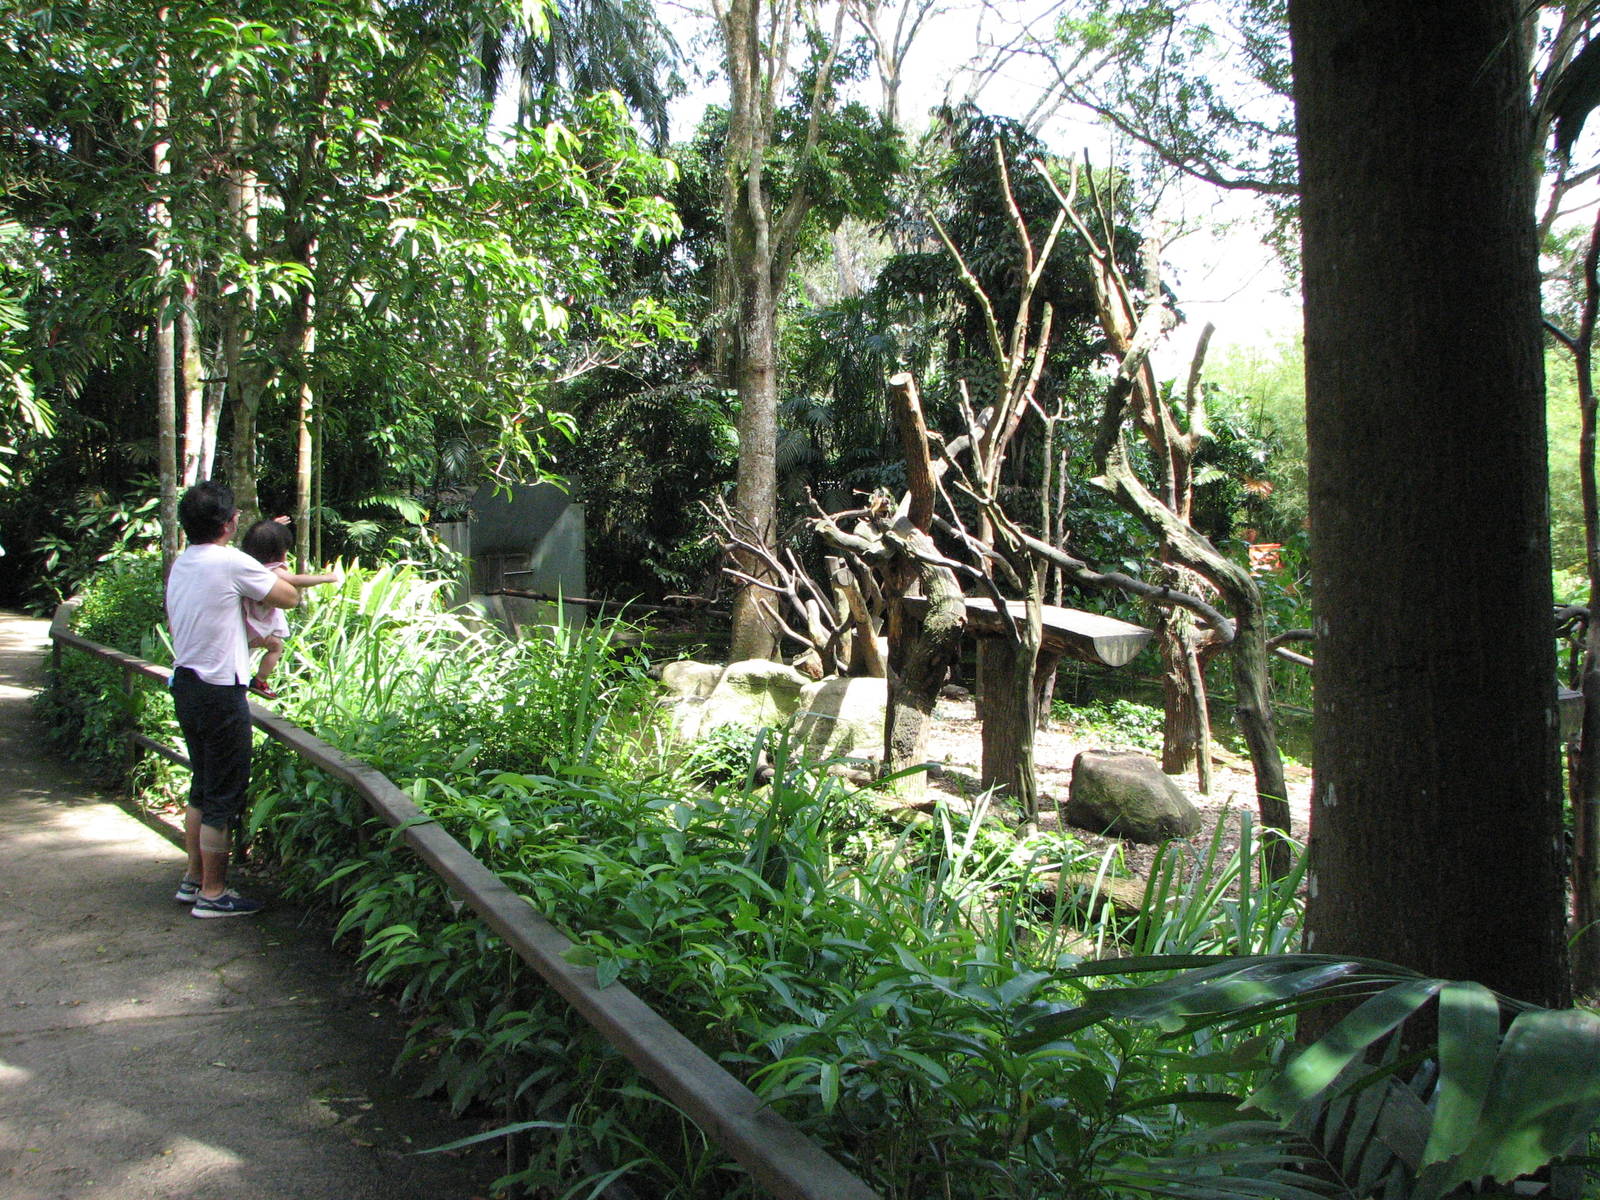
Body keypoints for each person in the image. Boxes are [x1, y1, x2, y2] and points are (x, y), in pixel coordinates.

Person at [166, 481, 299, 918]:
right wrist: (278, 571)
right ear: (228, 524)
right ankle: (213, 893)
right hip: (220, 691)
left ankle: (192, 879)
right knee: (223, 795)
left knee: (202, 789)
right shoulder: (229, 562)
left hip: (185, 684)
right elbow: (289, 598)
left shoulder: (183, 562)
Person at [239, 517, 339, 699]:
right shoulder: (274, 570)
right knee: (276, 646)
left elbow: (259, 541)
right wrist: (325, 577)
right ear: (276, 554)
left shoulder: (248, 564)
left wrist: (272, 526)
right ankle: (260, 680)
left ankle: (249, 680)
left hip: (246, 626)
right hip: (256, 629)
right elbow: (295, 580)